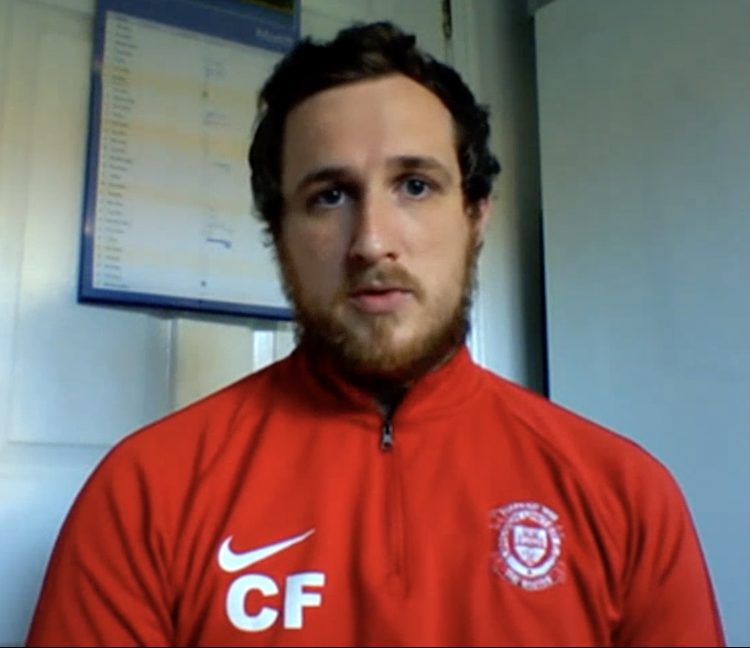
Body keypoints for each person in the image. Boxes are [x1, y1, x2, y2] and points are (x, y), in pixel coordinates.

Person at [26, 21, 725, 647]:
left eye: (415, 186)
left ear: (476, 214)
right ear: (279, 233)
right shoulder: (144, 494)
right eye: (329, 196)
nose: (371, 241)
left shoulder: (627, 496)